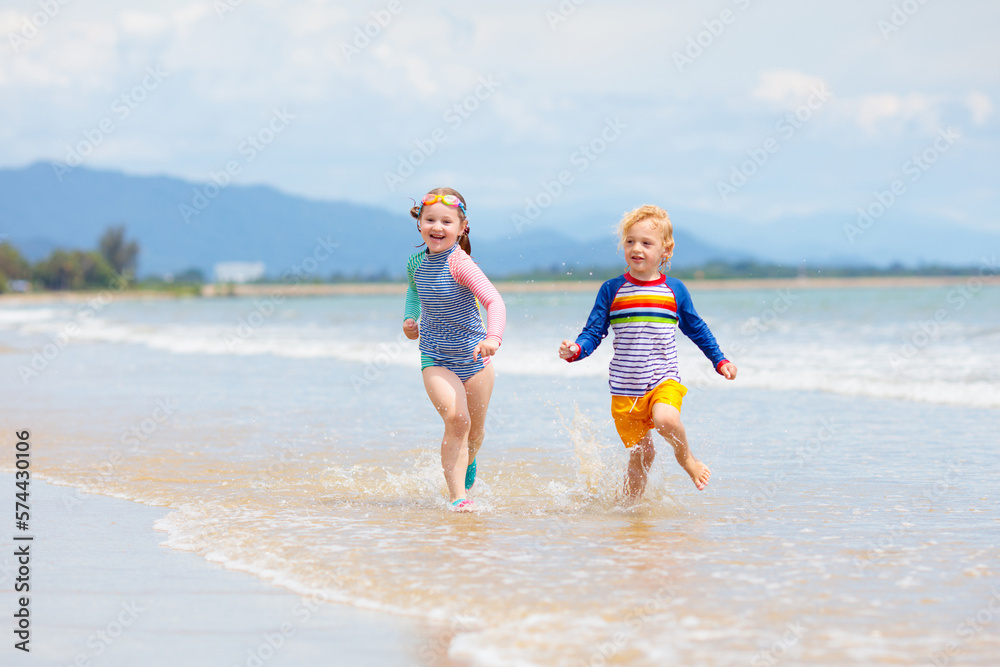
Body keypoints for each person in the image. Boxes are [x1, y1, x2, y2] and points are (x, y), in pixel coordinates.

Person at [558, 205, 737, 501]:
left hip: (662, 380)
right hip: (625, 390)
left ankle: (688, 460)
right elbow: (594, 332)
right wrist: (576, 350)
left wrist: (720, 359)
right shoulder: (612, 289)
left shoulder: (674, 290)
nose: (636, 248)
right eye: (630, 241)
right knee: (643, 454)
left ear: (666, 250)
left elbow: (697, 328)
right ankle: (632, 508)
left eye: (646, 243)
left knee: (666, 419)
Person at [403, 188, 506, 512]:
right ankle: (458, 497)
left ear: (462, 227)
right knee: (457, 419)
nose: (437, 226)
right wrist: (410, 317)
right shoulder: (416, 263)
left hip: (475, 359)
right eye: (430, 219)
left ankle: (469, 458)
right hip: (435, 357)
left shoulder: (461, 264)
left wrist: (493, 338)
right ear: (419, 223)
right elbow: (414, 291)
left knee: (474, 433)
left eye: (446, 221)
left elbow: (493, 301)